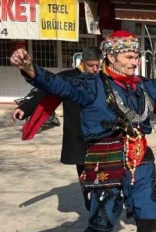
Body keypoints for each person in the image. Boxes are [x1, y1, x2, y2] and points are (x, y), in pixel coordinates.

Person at [10, 31, 156, 232]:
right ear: (110, 57)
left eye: (136, 56)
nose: (134, 61)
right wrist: (30, 67)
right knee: (104, 221)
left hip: (141, 156)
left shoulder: (143, 86)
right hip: (105, 160)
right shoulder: (90, 85)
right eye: (129, 56)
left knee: (148, 217)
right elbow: (56, 84)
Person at [13, 46, 103, 210]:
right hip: (77, 134)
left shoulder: (102, 79)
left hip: (100, 134)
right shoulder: (67, 78)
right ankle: (90, 204)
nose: (95, 69)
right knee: (84, 172)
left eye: (98, 65)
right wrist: (25, 108)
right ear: (82, 63)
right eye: (91, 65)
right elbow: (44, 92)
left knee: (104, 171)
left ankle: (105, 202)